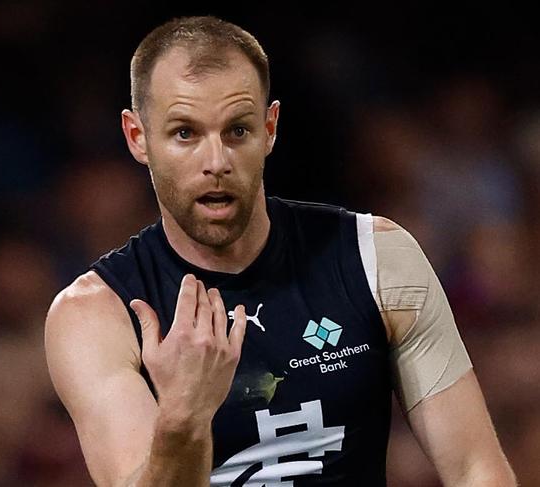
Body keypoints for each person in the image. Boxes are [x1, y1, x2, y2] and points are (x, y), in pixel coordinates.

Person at [44, 16, 517, 486]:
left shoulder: (375, 257)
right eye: (185, 133)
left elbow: (476, 469)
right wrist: (183, 418)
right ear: (137, 137)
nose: (216, 163)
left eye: (237, 131)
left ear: (269, 128)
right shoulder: (94, 316)